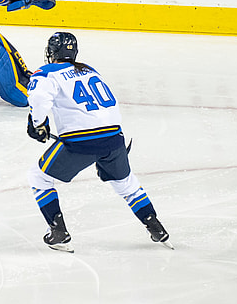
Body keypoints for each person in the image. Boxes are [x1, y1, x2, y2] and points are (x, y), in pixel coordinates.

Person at [25, 32, 172, 252]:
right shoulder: (89, 70)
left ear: (52, 52)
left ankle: (58, 232)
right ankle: (155, 226)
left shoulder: (46, 72)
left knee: (39, 177)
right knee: (126, 184)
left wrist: (38, 123)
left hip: (81, 141)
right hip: (114, 138)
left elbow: (38, 98)